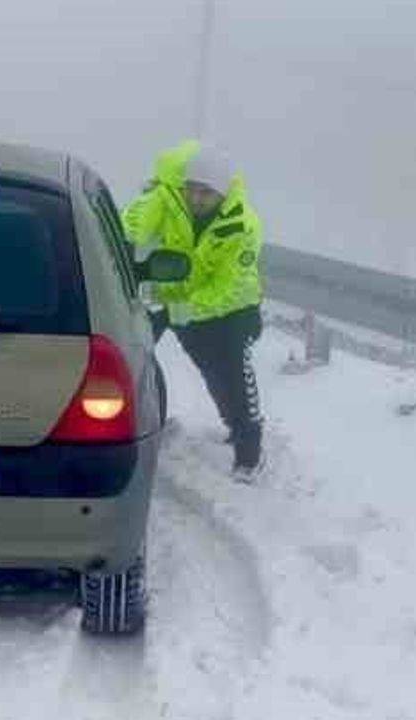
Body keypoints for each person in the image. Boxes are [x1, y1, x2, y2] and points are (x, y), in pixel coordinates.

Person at [122, 140, 266, 481]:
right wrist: (144, 206)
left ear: (223, 193)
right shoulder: (167, 199)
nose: (197, 199)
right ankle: (119, 425)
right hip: (172, 297)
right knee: (128, 351)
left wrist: (182, 309)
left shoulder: (242, 226)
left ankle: (249, 450)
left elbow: (227, 287)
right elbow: (130, 227)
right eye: (193, 189)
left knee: (227, 373)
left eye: (207, 192)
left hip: (229, 309)